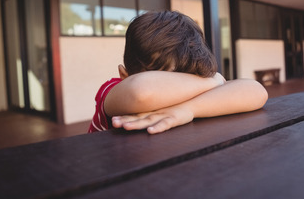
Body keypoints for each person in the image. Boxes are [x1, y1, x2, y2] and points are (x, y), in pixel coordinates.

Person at [88, 10, 268, 134]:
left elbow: (257, 91)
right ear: (124, 76)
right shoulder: (111, 92)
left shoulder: (194, 94)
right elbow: (141, 92)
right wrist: (213, 81)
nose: (183, 87)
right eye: (164, 78)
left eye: (189, 77)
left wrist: (187, 109)